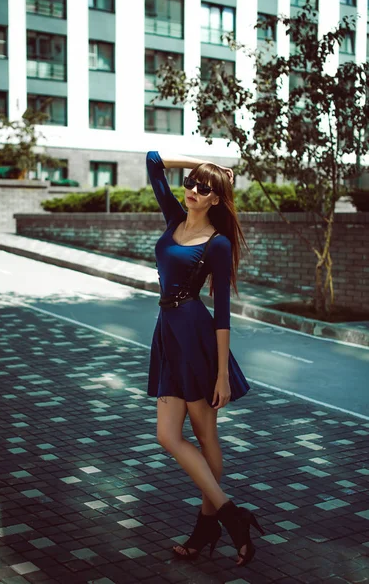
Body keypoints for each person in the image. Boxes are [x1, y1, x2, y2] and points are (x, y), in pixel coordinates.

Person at [146, 150, 265, 568]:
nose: (193, 190)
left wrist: (221, 375)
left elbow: (222, 314)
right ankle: (232, 518)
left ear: (217, 199)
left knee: (204, 435)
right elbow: (153, 160)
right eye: (192, 183)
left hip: (195, 335)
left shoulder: (217, 243)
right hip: (167, 334)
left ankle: (207, 524)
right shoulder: (175, 218)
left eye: (204, 187)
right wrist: (208, 166)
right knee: (167, 434)